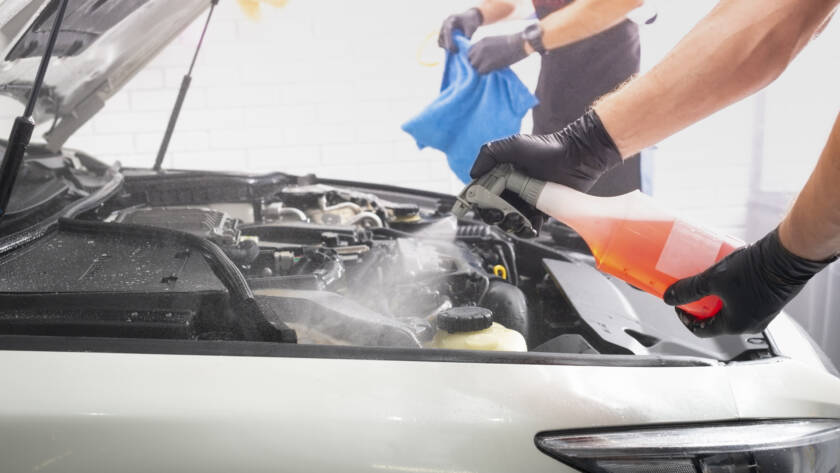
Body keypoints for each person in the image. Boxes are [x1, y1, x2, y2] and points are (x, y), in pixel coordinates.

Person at [470, 0, 840, 337]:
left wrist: (787, 260)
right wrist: (585, 144)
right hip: (599, 110)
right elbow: (773, 17)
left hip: (609, 77)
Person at [438, 0, 652, 197]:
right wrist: (477, 14)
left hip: (611, 97)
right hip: (556, 94)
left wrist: (524, 41)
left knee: (612, 216)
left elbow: (618, 3)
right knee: (547, 205)